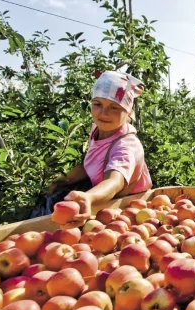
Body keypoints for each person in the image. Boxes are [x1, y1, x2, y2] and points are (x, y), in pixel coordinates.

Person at [43, 70, 152, 228]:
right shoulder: (98, 130)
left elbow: (113, 181)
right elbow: (93, 163)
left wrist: (88, 198)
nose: (104, 113)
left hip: (128, 213)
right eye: (97, 104)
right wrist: (63, 179)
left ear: (127, 111)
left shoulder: (126, 146)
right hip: (105, 205)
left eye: (114, 107)